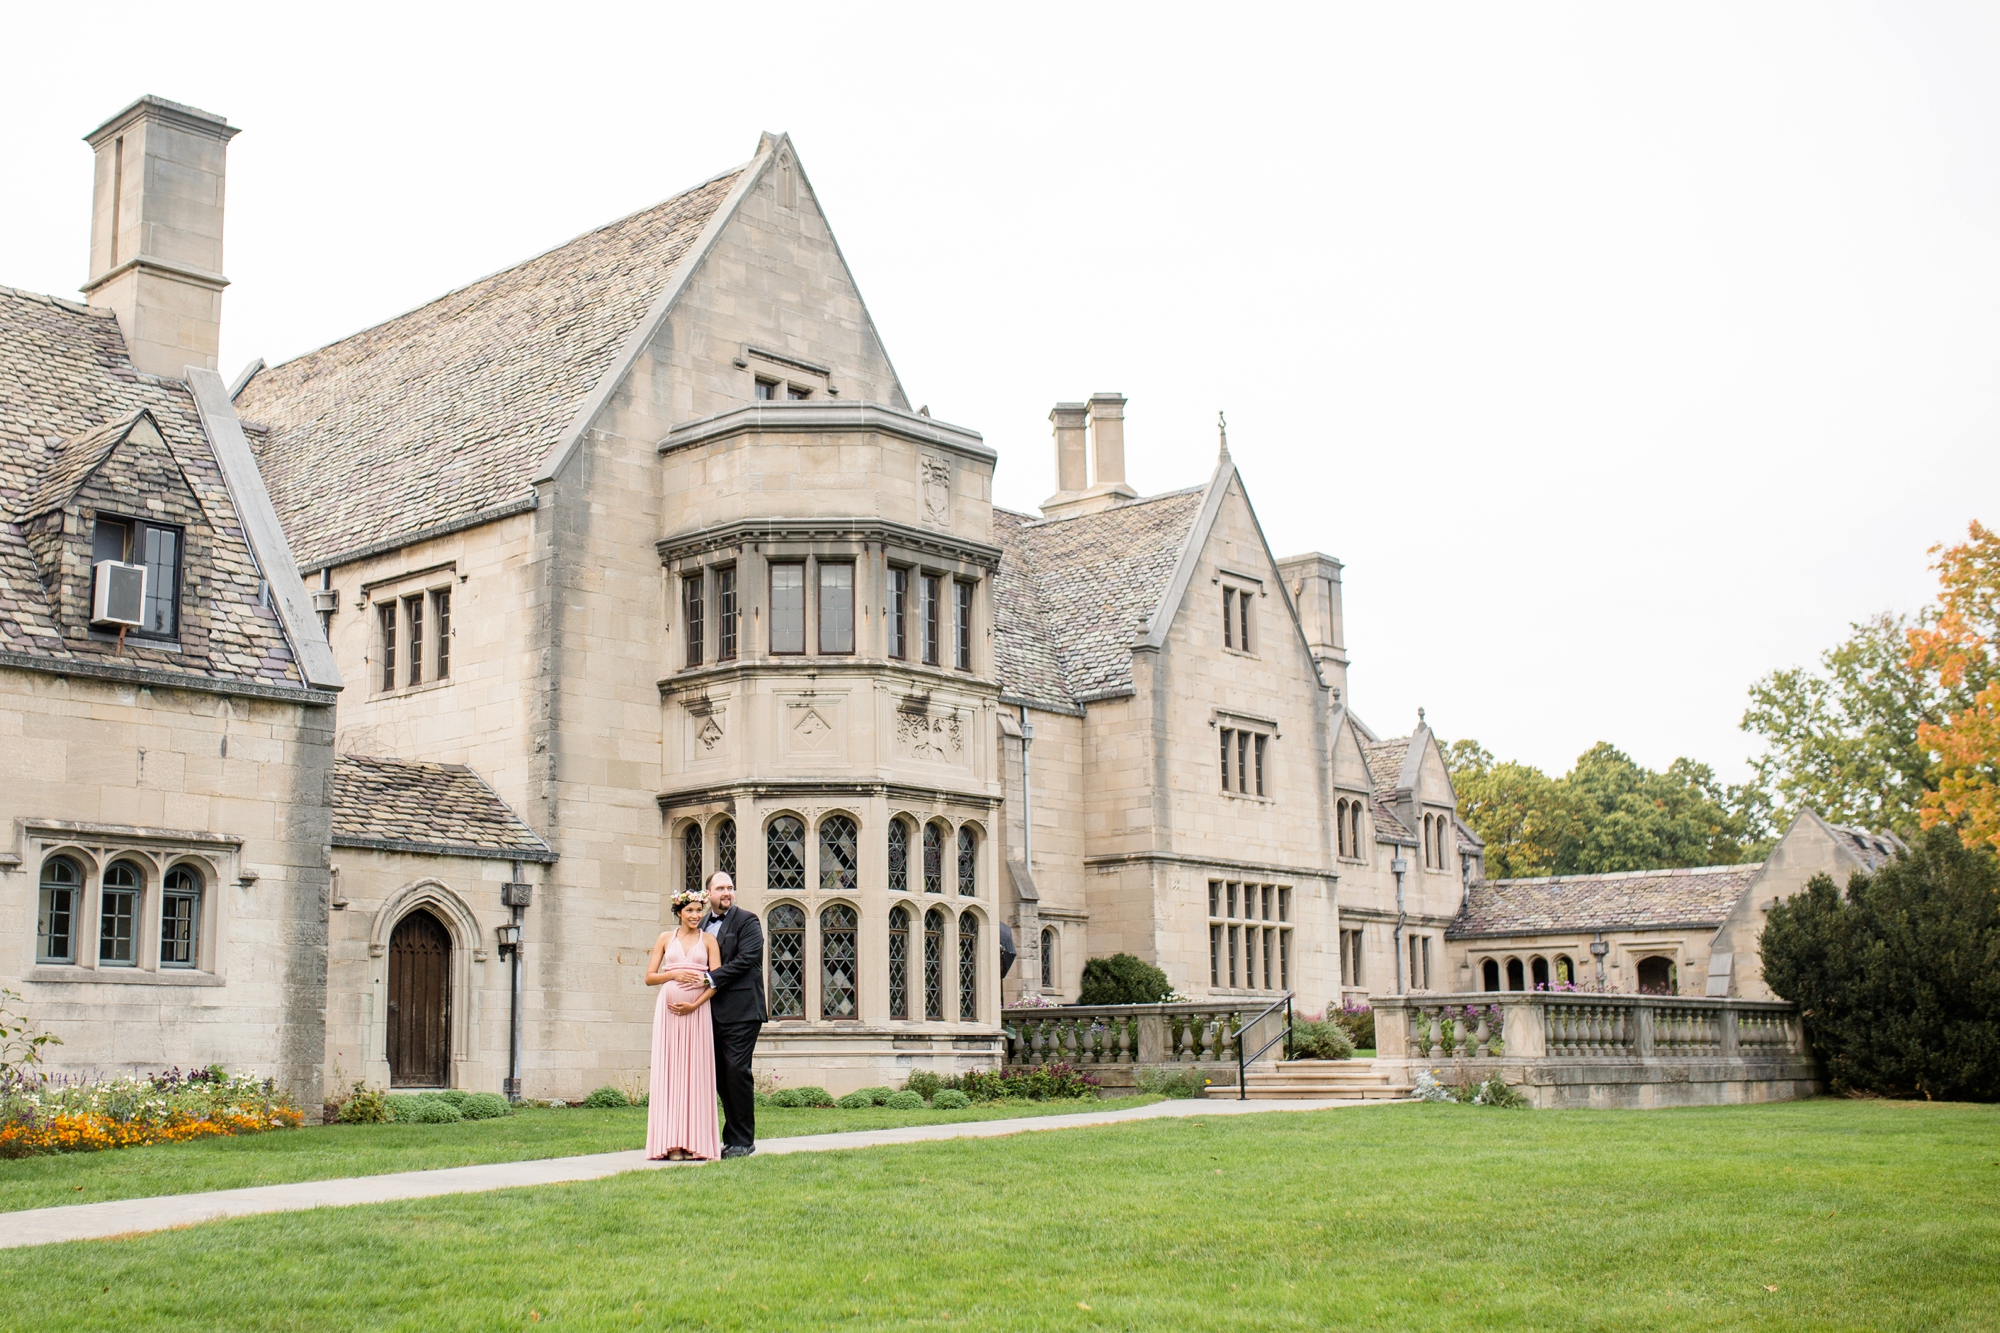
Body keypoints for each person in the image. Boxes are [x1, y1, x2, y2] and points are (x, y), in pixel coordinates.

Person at [665, 869, 765, 1157]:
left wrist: (711, 979)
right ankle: (724, 1138)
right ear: (708, 894)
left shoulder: (747, 921)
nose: (726, 893)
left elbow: (748, 959)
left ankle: (743, 1141)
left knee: (737, 1071)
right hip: (709, 1011)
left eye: (730, 888)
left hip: (743, 1010)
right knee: (719, 1075)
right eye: (720, 888)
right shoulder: (701, 922)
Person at [643, 887, 721, 1162]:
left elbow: (716, 980)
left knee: (694, 1074)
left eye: (699, 910)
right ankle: (671, 1144)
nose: (695, 915)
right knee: (671, 1072)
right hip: (668, 1015)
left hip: (697, 1013)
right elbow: (650, 977)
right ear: (678, 912)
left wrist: (694, 1005)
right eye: (689, 910)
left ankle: (694, 1143)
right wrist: (674, 973)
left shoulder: (709, 940)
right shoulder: (665, 938)